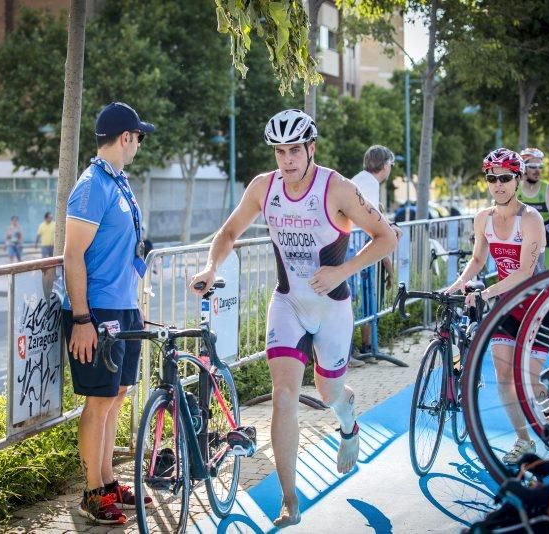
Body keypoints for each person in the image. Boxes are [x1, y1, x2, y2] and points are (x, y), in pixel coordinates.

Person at [189, 109, 397, 527]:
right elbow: (229, 233)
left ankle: (348, 419)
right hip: (288, 304)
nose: (287, 160)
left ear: (311, 148)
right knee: (284, 396)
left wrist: (342, 270)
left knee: (329, 393)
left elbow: (387, 236)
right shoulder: (264, 188)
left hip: (332, 307)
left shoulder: (336, 187)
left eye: (294, 150)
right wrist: (211, 267)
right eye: (280, 151)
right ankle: (289, 497)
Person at [63, 102, 154, 525]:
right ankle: (91, 493)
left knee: (117, 395)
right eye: (138, 136)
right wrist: (82, 319)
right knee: (99, 400)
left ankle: (107, 479)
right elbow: (72, 254)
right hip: (97, 310)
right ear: (125, 138)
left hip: (124, 305)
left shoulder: (119, 181)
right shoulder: (91, 186)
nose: (139, 143)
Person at [446, 148, 549, 464]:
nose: (498, 185)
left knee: (532, 382)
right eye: (492, 179)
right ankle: (524, 441)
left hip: (538, 308)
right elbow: (479, 258)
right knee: (503, 376)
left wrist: (485, 293)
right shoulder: (483, 218)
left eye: (506, 178)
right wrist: (459, 283)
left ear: (518, 179)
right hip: (508, 308)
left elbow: (524, 272)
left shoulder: (532, 219)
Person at [349, 145, 395, 364]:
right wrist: (389, 265)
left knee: (359, 300)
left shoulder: (362, 180)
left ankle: (361, 347)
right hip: (352, 246)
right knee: (352, 300)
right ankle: (348, 354)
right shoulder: (369, 183)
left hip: (353, 245)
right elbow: (372, 226)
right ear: (385, 165)